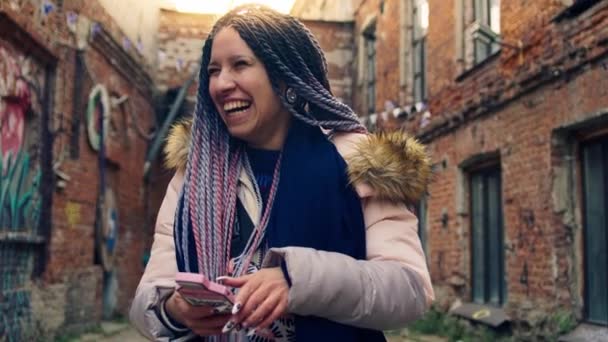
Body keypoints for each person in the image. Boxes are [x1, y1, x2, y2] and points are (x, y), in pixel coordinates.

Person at [130, 4, 434, 341]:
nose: (221, 84)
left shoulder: (358, 163)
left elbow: (410, 290)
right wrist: (175, 310)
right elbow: (148, 298)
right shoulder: (195, 175)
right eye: (213, 70)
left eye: (240, 65)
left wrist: (297, 281)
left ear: (285, 77)